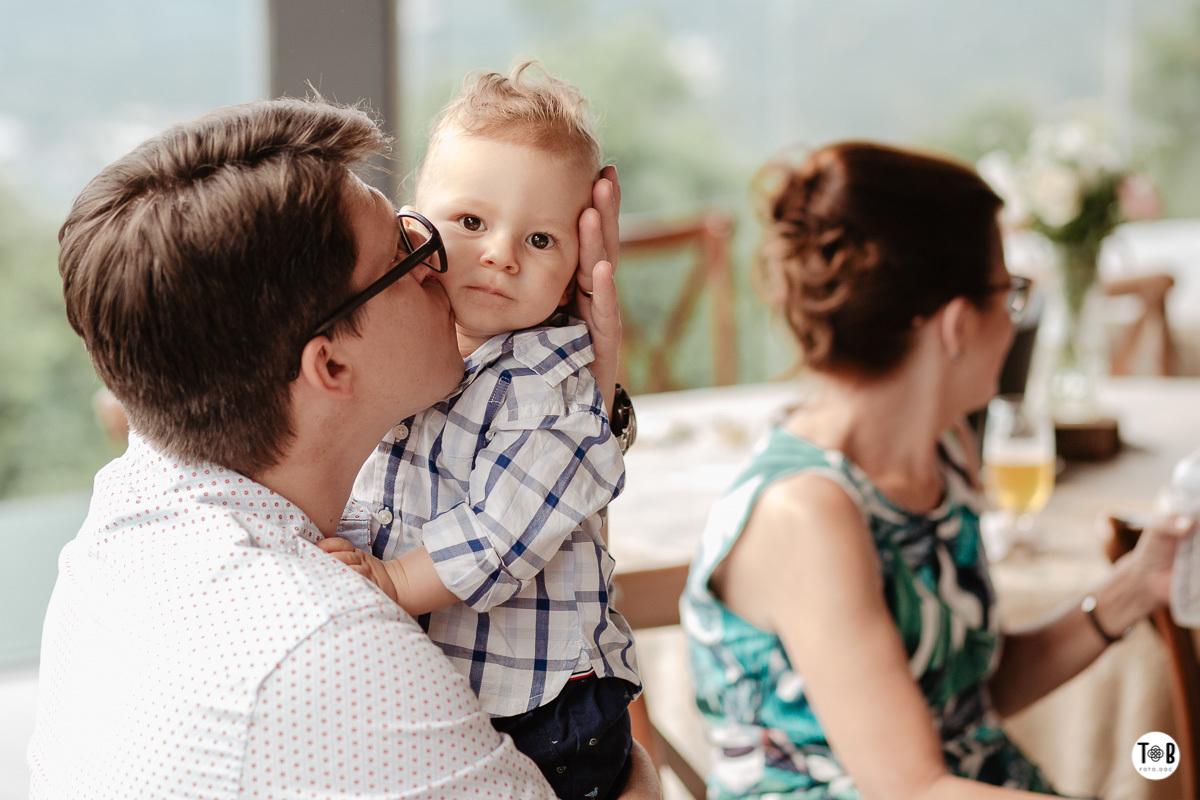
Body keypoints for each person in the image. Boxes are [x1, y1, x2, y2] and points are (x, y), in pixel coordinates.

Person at [28, 96, 660, 799]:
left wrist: (594, 400)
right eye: (402, 254)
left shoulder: (128, 506)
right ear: (329, 367)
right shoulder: (340, 648)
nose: (440, 261)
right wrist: (644, 779)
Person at [680, 141, 1192, 799]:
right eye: (1009, 296)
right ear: (954, 325)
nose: (1014, 327)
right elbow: (915, 788)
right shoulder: (807, 512)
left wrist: (1135, 589)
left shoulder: (944, 451)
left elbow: (963, 696)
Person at [318, 64, 640, 800]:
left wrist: (394, 581)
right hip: (463, 684)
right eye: (471, 222)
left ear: (573, 273)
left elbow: (502, 539)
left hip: (545, 710)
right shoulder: (416, 350)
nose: (500, 254)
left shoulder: (544, 387)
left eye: (539, 238)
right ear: (411, 230)